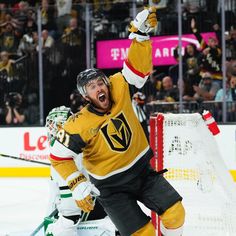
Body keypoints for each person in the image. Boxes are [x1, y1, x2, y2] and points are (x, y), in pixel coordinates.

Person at [49, 7, 185, 236]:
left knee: (176, 214)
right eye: (92, 87)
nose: (99, 88)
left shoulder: (119, 87)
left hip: (143, 173)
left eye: (100, 82)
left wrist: (141, 38)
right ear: (85, 96)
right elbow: (58, 157)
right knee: (145, 233)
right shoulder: (78, 124)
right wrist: (77, 182)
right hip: (111, 190)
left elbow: (137, 71)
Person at [45, 106, 116, 236]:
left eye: (53, 127)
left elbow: (71, 215)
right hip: (103, 205)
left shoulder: (67, 156)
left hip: (88, 209)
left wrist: (54, 227)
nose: (51, 132)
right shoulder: (75, 149)